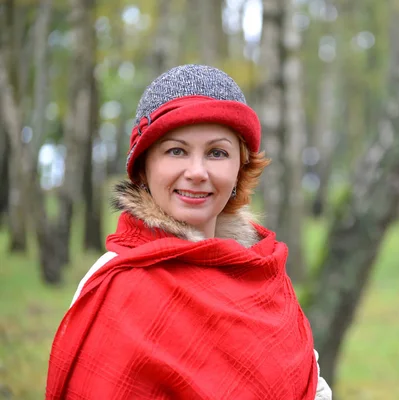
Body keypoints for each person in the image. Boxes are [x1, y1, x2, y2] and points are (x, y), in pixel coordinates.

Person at [46, 65, 332, 400]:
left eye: (217, 153)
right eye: (176, 150)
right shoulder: (117, 286)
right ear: (144, 166)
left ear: (240, 168)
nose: (197, 172)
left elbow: (309, 383)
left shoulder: (261, 272)